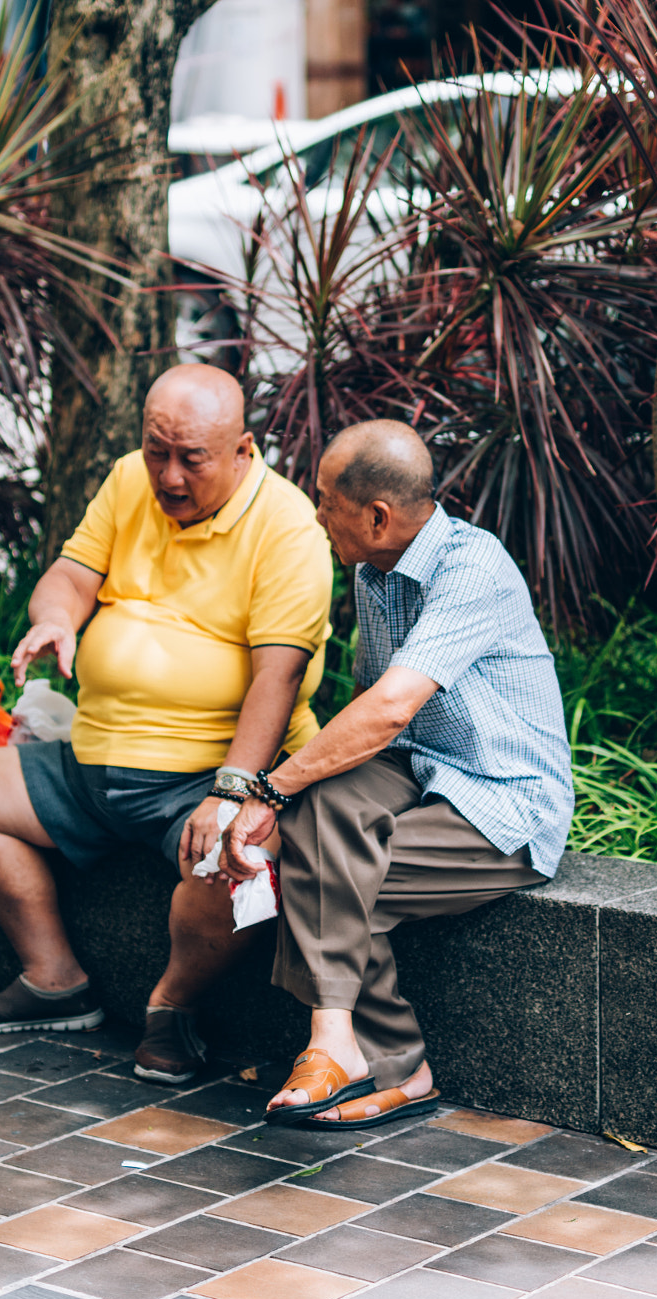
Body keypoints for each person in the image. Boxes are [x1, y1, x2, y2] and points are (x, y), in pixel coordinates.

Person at [0, 363, 334, 1085]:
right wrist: (55, 618)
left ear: (243, 449)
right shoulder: (128, 480)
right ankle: (53, 977)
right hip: (93, 759)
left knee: (239, 862)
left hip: (203, 774)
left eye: (192, 459)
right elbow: (70, 574)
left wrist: (230, 791)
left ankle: (171, 1006)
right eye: (157, 451)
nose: (168, 476)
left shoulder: (288, 528)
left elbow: (278, 676)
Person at [218, 420, 571, 1129]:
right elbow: (377, 727)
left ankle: (379, 1060)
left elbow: (387, 708)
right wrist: (287, 801)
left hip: (503, 799)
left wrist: (270, 790)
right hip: (420, 766)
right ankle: (356, 1050)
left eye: (325, 501)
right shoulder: (373, 569)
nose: (316, 514)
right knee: (318, 818)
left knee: (335, 875)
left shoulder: (474, 569)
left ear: (377, 516)